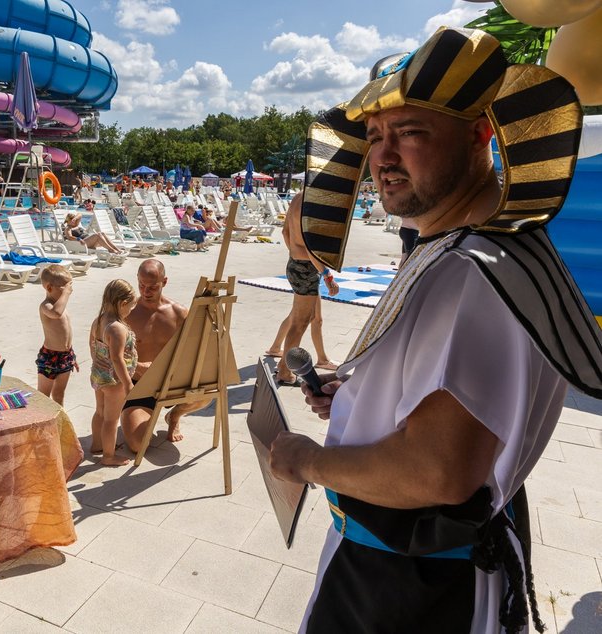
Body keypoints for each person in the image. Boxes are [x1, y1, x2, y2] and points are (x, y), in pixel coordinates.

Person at [269, 27, 602, 633]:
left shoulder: (473, 272)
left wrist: (306, 461)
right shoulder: (463, 243)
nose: (383, 157)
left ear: (482, 135)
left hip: (407, 583)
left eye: (411, 133)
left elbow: (439, 472)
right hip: (413, 562)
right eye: (374, 138)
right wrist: (360, 399)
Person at [121, 260, 207, 447]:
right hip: (139, 384)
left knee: (205, 392)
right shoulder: (127, 312)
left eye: (153, 287)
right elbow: (111, 352)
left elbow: (192, 350)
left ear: (164, 282)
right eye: (142, 285)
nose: (145, 292)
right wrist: (136, 368)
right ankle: (143, 415)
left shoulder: (179, 313)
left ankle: (174, 415)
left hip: (170, 382)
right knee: (138, 445)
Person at [269, 191, 339, 381]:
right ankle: (284, 370)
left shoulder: (298, 197)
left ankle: (284, 361)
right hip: (307, 268)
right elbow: (311, 248)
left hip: (294, 264)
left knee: (305, 317)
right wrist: (327, 275)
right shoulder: (314, 202)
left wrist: (294, 252)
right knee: (300, 322)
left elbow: (285, 232)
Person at [89, 279, 138, 466]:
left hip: (99, 375)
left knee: (100, 412)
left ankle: (97, 444)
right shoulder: (117, 328)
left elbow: (92, 345)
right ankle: (108, 456)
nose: (130, 311)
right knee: (111, 419)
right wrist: (127, 383)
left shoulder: (99, 321)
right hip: (114, 380)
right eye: (131, 307)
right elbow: (117, 358)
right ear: (122, 303)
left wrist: (97, 364)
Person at [36, 264, 78, 405]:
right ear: (49, 288)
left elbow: (66, 333)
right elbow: (56, 313)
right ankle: (42, 421)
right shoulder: (46, 306)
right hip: (50, 357)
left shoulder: (61, 307)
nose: (69, 292)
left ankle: (59, 422)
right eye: (65, 289)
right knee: (43, 396)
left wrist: (71, 354)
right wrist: (65, 294)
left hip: (65, 356)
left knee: (59, 394)